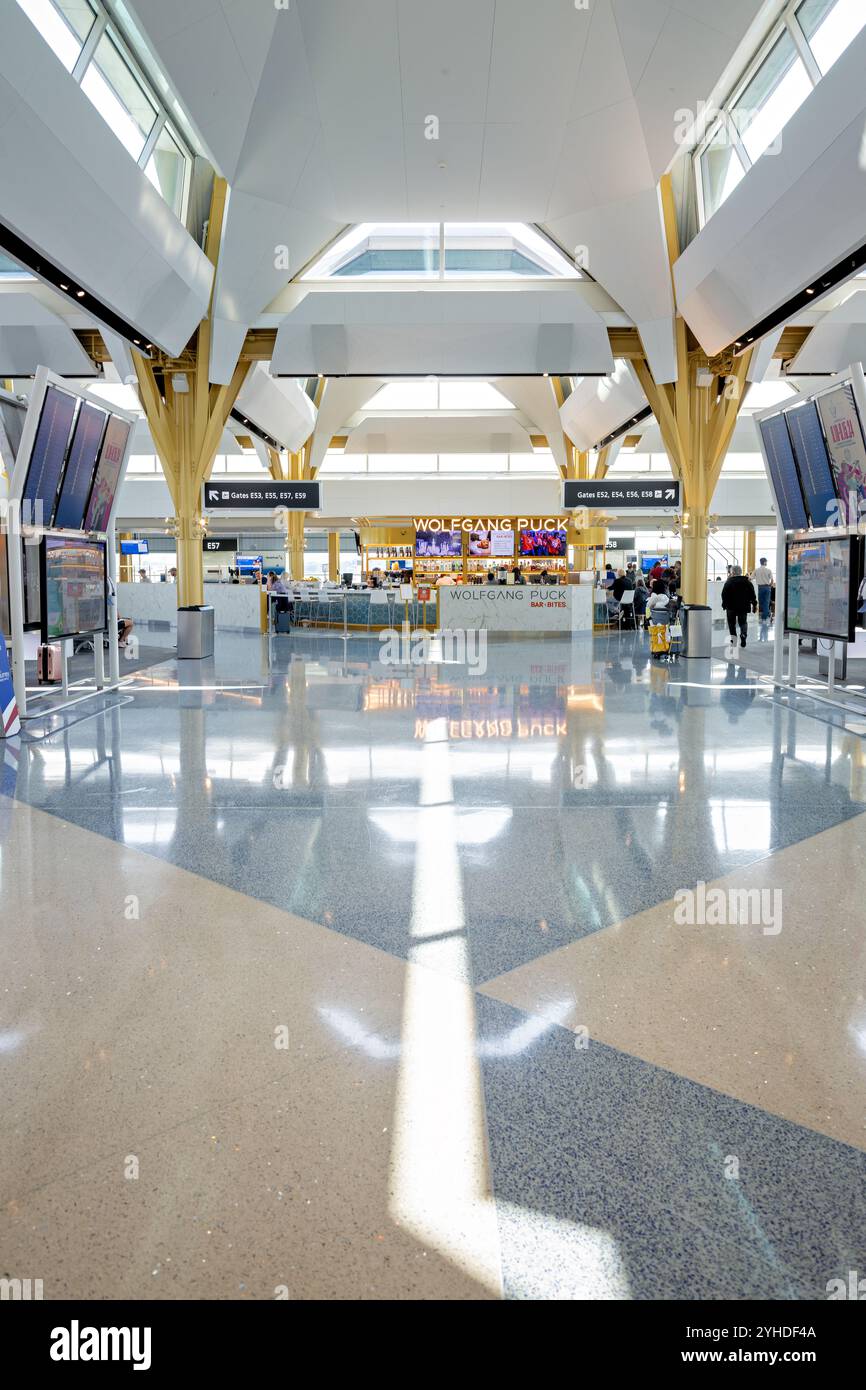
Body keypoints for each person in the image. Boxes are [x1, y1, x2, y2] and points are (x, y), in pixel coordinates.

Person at [721, 565, 758, 649]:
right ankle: (743, 634)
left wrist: (724, 605)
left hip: (731, 606)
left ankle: (734, 641)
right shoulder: (747, 582)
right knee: (743, 622)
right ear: (740, 572)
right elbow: (752, 594)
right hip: (743, 606)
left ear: (733, 572)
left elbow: (724, 595)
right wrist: (754, 604)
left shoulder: (729, 582)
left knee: (731, 623)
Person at [752, 557, 773, 621]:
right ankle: (767, 616)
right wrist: (770, 586)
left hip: (759, 588)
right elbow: (772, 580)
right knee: (766, 603)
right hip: (767, 587)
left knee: (761, 603)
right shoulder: (769, 570)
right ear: (764, 562)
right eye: (766, 562)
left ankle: (766, 616)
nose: (766, 563)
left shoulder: (756, 570)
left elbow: (750, 578)